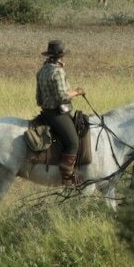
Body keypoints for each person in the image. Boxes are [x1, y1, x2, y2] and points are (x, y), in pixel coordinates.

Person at [36, 40, 85, 186]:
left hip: (45, 112)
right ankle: (67, 177)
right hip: (57, 113)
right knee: (73, 143)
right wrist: (77, 92)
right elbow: (62, 96)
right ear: (60, 57)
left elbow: (38, 98)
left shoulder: (42, 71)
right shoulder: (57, 72)